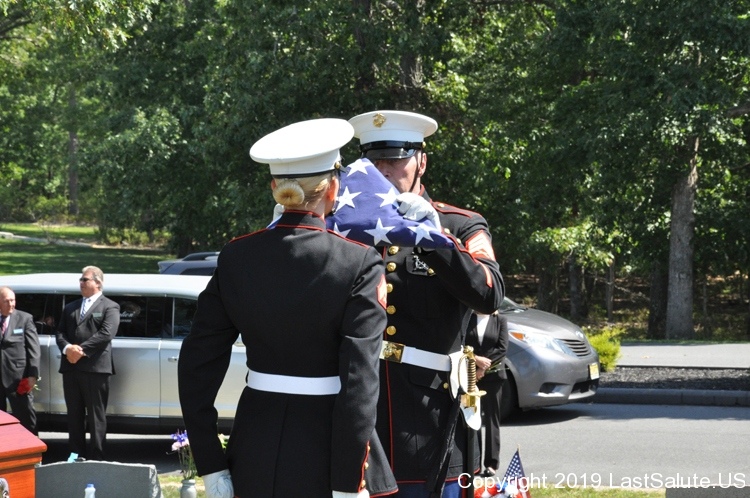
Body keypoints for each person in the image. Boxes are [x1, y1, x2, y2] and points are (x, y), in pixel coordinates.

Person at [178, 118, 397, 498]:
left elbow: (196, 365)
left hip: (254, 449)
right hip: (328, 454)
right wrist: (349, 482)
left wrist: (211, 464)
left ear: (275, 188)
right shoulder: (359, 262)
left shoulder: (237, 256)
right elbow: (360, 384)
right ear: (333, 189)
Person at [347, 110, 505, 498]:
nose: (384, 170)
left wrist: (434, 239)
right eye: (374, 160)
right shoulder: (348, 226)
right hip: (358, 413)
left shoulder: (458, 224)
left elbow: (489, 294)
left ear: (421, 161)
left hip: (429, 417)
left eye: (395, 159)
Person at [56, 266, 120, 460]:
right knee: (74, 415)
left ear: (98, 283)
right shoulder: (70, 307)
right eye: (81, 280)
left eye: (85, 280)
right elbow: (60, 333)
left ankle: (96, 458)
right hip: (71, 368)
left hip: (96, 369)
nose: (81, 283)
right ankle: (75, 457)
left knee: (95, 417)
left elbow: (106, 334)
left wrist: (80, 351)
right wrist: (68, 349)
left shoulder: (110, 307)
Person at [464, 312, 509, 477]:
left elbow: (502, 348)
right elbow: (461, 344)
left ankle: (491, 463)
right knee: (472, 418)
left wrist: (483, 368)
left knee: (491, 419)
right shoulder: (468, 317)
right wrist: (475, 359)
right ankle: (473, 463)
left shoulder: (500, 320)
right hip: (470, 375)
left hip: (493, 377)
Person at [0, 286, 41, 434]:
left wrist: (33, 375)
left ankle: (32, 445)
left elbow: (34, 349)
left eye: (13, 300)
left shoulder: (25, 319)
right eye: (7, 301)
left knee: (25, 416)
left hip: (18, 377)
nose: (11, 304)